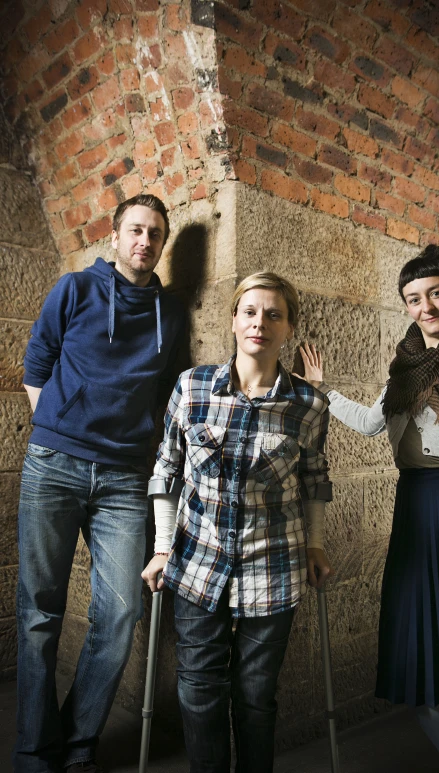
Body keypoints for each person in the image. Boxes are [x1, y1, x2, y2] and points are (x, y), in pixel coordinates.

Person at [298, 245, 439, 773]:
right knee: (424, 665)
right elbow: (374, 424)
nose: (426, 306)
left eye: (436, 294)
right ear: (406, 304)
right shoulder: (403, 368)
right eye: (413, 298)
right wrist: (323, 391)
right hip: (417, 515)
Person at [15, 194, 185, 773]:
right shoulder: (75, 289)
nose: (144, 241)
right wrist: (59, 428)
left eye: (155, 234)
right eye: (135, 230)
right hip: (55, 465)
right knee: (40, 611)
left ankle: (79, 741)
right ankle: (36, 750)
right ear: (114, 238)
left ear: (162, 245)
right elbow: (35, 367)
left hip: (124, 479)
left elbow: (169, 395)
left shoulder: (172, 312)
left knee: (119, 615)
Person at [142, 271, 333, 773]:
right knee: (199, 693)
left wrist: (315, 546)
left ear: (288, 327)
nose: (260, 323)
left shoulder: (308, 405)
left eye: (274, 314)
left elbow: (315, 480)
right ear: (232, 319)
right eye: (250, 312)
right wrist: (163, 547)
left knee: (254, 697)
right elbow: (167, 469)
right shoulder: (192, 387)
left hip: (273, 568)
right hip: (197, 563)